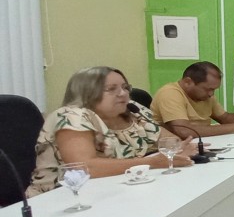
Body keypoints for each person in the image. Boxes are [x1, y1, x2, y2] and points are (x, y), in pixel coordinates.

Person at [26, 66, 197, 196]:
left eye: (125, 87)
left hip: (118, 191)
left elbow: (171, 142)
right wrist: (152, 162)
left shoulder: (132, 109)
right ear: (86, 93)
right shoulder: (71, 116)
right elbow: (86, 168)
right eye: (111, 89)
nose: (123, 94)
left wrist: (176, 151)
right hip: (63, 199)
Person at [151, 61, 234, 138]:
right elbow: (184, 131)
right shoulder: (170, 93)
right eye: (208, 89)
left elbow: (224, 118)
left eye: (214, 89)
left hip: (200, 144)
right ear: (188, 82)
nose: (211, 94)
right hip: (170, 150)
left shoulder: (205, 95)